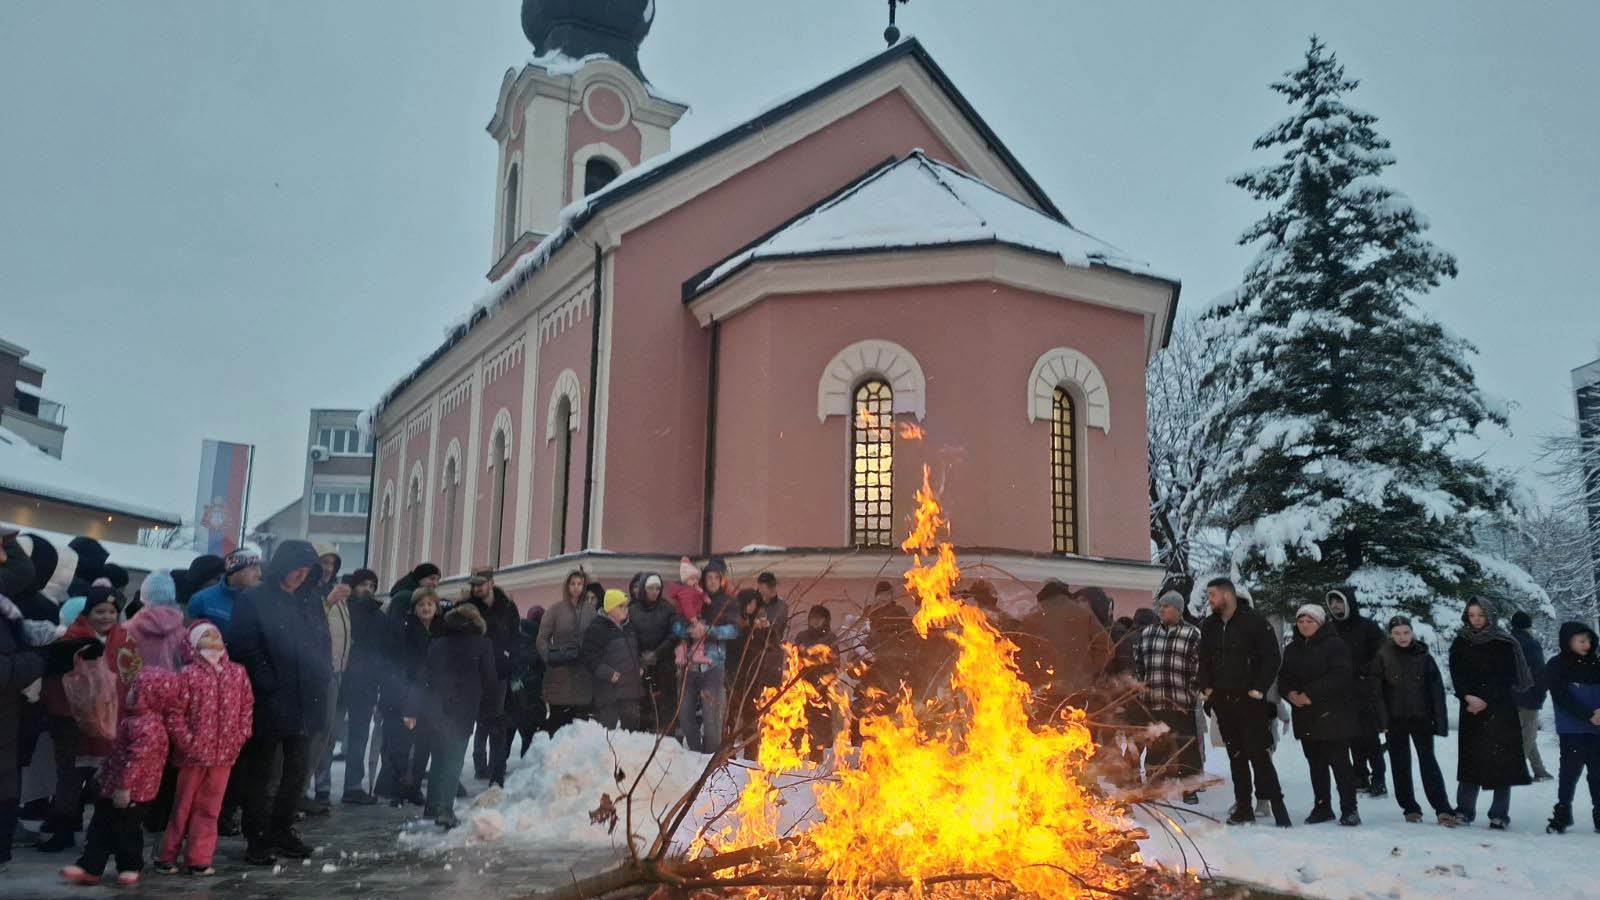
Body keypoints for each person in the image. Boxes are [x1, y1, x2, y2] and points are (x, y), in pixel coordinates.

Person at [226, 540, 332, 864]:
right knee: (262, 771)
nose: (301, 576)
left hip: (305, 696)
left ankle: (282, 829)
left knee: (297, 771)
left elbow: (322, 643)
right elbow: (244, 646)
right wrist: (267, 682)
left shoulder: (309, 601)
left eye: (307, 571)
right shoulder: (254, 599)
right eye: (297, 569)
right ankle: (256, 836)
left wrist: (321, 677)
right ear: (283, 566)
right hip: (269, 698)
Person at [58, 669, 175, 887]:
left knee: (126, 829)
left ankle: (129, 866)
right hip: (114, 785)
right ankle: (90, 867)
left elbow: (137, 761)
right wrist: (105, 769)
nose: (130, 693)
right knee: (101, 824)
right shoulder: (132, 721)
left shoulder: (148, 727)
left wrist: (124, 786)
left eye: (136, 691)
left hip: (134, 791)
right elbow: (118, 752)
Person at [155, 623, 252, 875]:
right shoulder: (187, 675)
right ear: (193, 644)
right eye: (205, 636)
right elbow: (174, 713)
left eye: (215, 635)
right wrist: (188, 742)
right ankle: (167, 855)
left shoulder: (237, 673)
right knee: (182, 807)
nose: (212, 640)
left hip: (224, 755)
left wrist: (240, 736)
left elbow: (246, 707)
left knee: (210, 809)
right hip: (193, 756)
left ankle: (199, 858)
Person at [38, 585, 129, 852]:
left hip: (109, 720)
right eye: (99, 611)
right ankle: (64, 829)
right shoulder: (70, 639)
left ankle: (101, 834)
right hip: (71, 722)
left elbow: (131, 677)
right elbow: (54, 680)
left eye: (111, 611)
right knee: (70, 775)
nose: (106, 617)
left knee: (104, 777)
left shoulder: (124, 641)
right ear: (87, 613)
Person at [1196, 577, 1290, 827]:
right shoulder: (1210, 625)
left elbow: (1272, 657)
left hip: (1250, 702)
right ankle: (1243, 807)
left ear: (1227, 595)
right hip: (1223, 701)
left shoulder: (1255, 623)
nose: (1209, 600)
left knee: (1259, 756)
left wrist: (1259, 687)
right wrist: (1206, 687)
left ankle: (1278, 807)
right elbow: (1204, 658)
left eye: (1213, 595)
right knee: (1236, 757)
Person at [405, 603, 497, 830]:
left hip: (435, 707)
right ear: (476, 622)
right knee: (453, 760)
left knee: (438, 757)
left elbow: (423, 677)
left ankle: (431, 807)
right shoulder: (482, 644)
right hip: (463, 708)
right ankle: (445, 810)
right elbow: (490, 679)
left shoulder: (438, 643)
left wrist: (412, 708)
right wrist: (492, 709)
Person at [1449, 599, 1534, 829]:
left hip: (1500, 708)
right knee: (1470, 761)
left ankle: (1499, 814)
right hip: (1471, 709)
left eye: (1481, 615)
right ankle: (1464, 810)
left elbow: (1508, 677)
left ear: (1490, 615)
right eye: (1472, 615)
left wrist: (1485, 699)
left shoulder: (1503, 642)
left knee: (1501, 762)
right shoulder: (1461, 641)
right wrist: (1467, 696)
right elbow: (1457, 673)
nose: (1476, 619)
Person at [1278, 604, 1361, 826]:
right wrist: (1290, 694)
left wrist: (1310, 694)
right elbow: (1283, 678)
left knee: (1340, 764)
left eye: (1310, 621)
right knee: (1316, 764)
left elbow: (1341, 675)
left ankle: (1349, 809)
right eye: (1300, 621)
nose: (1304, 625)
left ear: (1320, 623)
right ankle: (1322, 807)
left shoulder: (1335, 645)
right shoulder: (1292, 649)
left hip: (1333, 714)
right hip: (1305, 716)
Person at [1375, 615, 1457, 825]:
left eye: (1406, 632)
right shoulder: (1383, 656)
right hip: (1395, 720)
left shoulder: (1424, 657)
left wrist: (1440, 721)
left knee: (1428, 762)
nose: (1402, 637)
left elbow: (1436, 691)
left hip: (1421, 718)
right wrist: (1382, 722)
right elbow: (1377, 693)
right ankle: (1410, 807)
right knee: (1400, 764)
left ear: (1412, 632)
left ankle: (1442, 808)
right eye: (1397, 633)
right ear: (1391, 635)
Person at [1, 528, 50, 871]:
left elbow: (22, 571)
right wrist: (36, 660)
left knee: (7, 785)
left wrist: (7, 539)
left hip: (7, 719)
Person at [1135, 592, 1202, 803]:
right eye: (1160, 606)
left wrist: (1192, 692)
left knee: (1186, 747)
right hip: (1154, 702)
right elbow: (1139, 665)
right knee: (1155, 746)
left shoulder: (1192, 634)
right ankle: (1154, 786)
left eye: (1167, 606)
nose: (1161, 609)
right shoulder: (1148, 633)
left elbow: (1199, 668)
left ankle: (1189, 789)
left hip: (1181, 702)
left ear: (1178, 610)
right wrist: (1142, 689)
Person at [668, 558, 741, 753]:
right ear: (703, 579)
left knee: (711, 718)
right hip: (688, 666)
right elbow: (675, 624)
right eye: (709, 577)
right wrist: (689, 630)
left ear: (722, 579)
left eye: (716, 577)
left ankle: (710, 759)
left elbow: (734, 630)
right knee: (684, 715)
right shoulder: (691, 594)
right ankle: (695, 754)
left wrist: (708, 630)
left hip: (713, 666)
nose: (713, 581)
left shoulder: (729, 602)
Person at [380, 587, 440, 807]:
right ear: (414, 609)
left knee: (424, 745)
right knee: (402, 745)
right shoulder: (407, 630)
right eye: (421, 605)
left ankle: (413, 789)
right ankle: (398, 789)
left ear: (436, 608)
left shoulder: (439, 630)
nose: (426, 608)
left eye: (430, 604)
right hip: (407, 693)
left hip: (430, 696)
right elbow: (402, 664)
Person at [1325, 586, 1387, 797]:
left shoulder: (1367, 627)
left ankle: (1379, 779)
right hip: (1341, 692)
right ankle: (1360, 775)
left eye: (1339, 601)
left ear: (1349, 602)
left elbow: (1381, 654)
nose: (1335, 606)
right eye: (1332, 602)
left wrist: (1363, 672)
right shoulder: (1330, 629)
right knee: (1351, 736)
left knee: (1370, 737)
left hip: (1365, 690)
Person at [336, 569, 387, 805]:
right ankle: (319, 787)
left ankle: (353, 786)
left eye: (372, 586)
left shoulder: (378, 616)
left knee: (358, 736)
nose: (368, 589)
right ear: (354, 585)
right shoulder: (341, 609)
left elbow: (383, 653)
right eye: (364, 584)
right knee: (327, 735)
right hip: (339, 677)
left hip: (365, 682)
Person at [305, 549, 350, 815]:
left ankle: (322, 787)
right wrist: (329, 602)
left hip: (337, 670)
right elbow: (312, 624)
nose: (328, 568)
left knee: (329, 734)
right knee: (316, 732)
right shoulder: (312, 592)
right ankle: (301, 790)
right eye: (324, 562)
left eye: (333, 563)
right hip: (319, 670)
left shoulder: (334, 591)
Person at [1544, 621, 1600, 834]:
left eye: (1589, 641)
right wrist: (1588, 715)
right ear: (1568, 641)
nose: (1587, 645)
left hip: (1597, 729)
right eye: (1581, 641)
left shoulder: (1596, 664)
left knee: (1598, 773)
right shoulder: (1557, 665)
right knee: (1569, 772)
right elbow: (1561, 696)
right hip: (1572, 728)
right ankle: (1562, 813)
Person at [466, 568, 520, 786]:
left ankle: (498, 770)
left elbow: (515, 636)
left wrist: (510, 657)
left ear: (491, 583)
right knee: (481, 720)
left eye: (480, 584)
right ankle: (480, 765)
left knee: (497, 719)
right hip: (474, 672)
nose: (477, 588)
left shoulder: (507, 606)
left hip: (499, 670)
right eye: (474, 585)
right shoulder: (468, 607)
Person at [537, 570, 595, 735]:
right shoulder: (555, 610)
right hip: (560, 673)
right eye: (572, 584)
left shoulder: (590, 611)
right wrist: (550, 657)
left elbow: (597, 638)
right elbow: (542, 639)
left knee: (580, 727)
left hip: (583, 675)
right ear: (567, 586)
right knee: (558, 724)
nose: (576, 587)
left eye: (580, 584)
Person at [583, 590, 645, 730]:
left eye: (626, 605)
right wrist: (608, 673)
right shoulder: (596, 628)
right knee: (608, 732)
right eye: (620, 606)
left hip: (630, 690)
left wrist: (640, 665)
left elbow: (637, 651)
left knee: (631, 731)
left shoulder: (629, 627)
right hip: (608, 691)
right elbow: (589, 656)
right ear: (610, 608)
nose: (625, 609)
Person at [627, 573, 678, 734]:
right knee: (643, 705)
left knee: (665, 706)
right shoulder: (632, 610)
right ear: (644, 589)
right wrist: (640, 658)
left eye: (657, 588)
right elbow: (629, 636)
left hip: (664, 666)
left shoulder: (668, 609)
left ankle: (666, 737)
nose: (654, 592)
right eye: (650, 588)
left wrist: (657, 653)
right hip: (641, 666)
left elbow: (675, 634)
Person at [1509, 611, 1555, 782]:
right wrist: (1541, 693)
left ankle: (1539, 770)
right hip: (1528, 696)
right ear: (1528, 626)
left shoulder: (1506, 642)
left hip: (1509, 697)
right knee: (1528, 736)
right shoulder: (1531, 644)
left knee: (1527, 735)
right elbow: (1539, 672)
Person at [792, 604, 839, 760]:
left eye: (818, 618)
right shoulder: (802, 637)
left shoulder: (831, 639)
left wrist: (823, 680)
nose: (815, 621)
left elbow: (835, 665)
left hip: (822, 690)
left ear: (825, 620)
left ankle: (816, 760)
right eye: (812, 618)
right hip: (802, 688)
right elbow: (794, 659)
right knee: (799, 725)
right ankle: (796, 760)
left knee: (820, 727)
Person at [186, 549, 261, 636]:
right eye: (253, 568)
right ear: (235, 570)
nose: (259, 574)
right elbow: (189, 637)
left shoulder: (263, 600)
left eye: (259, 568)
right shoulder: (201, 600)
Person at [507, 606, 548, 756]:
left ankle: (497, 765)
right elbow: (544, 668)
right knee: (529, 736)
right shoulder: (540, 641)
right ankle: (527, 762)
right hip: (533, 696)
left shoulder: (514, 637)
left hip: (512, 694)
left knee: (507, 735)